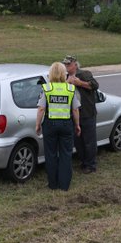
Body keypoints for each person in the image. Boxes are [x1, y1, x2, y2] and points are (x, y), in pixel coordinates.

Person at [36, 62, 81, 191]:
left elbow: (41, 109)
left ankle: (53, 184)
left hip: (50, 125)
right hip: (66, 125)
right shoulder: (70, 89)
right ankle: (64, 185)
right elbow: (75, 110)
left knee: (51, 154)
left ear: (50, 74)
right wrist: (77, 125)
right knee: (66, 154)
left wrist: (37, 125)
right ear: (63, 74)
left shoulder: (47, 89)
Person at [62, 55, 99, 174]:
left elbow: (94, 85)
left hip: (87, 113)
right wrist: (67, 83)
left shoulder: (84, 74)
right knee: (78, 141)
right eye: (65, 64)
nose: (66, 66)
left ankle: (91, 165)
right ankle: (84, 162)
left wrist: (79, 83)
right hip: (74, 114)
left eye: (68, 64)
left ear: (75, 65)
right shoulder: (64, 78)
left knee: (89, 140)